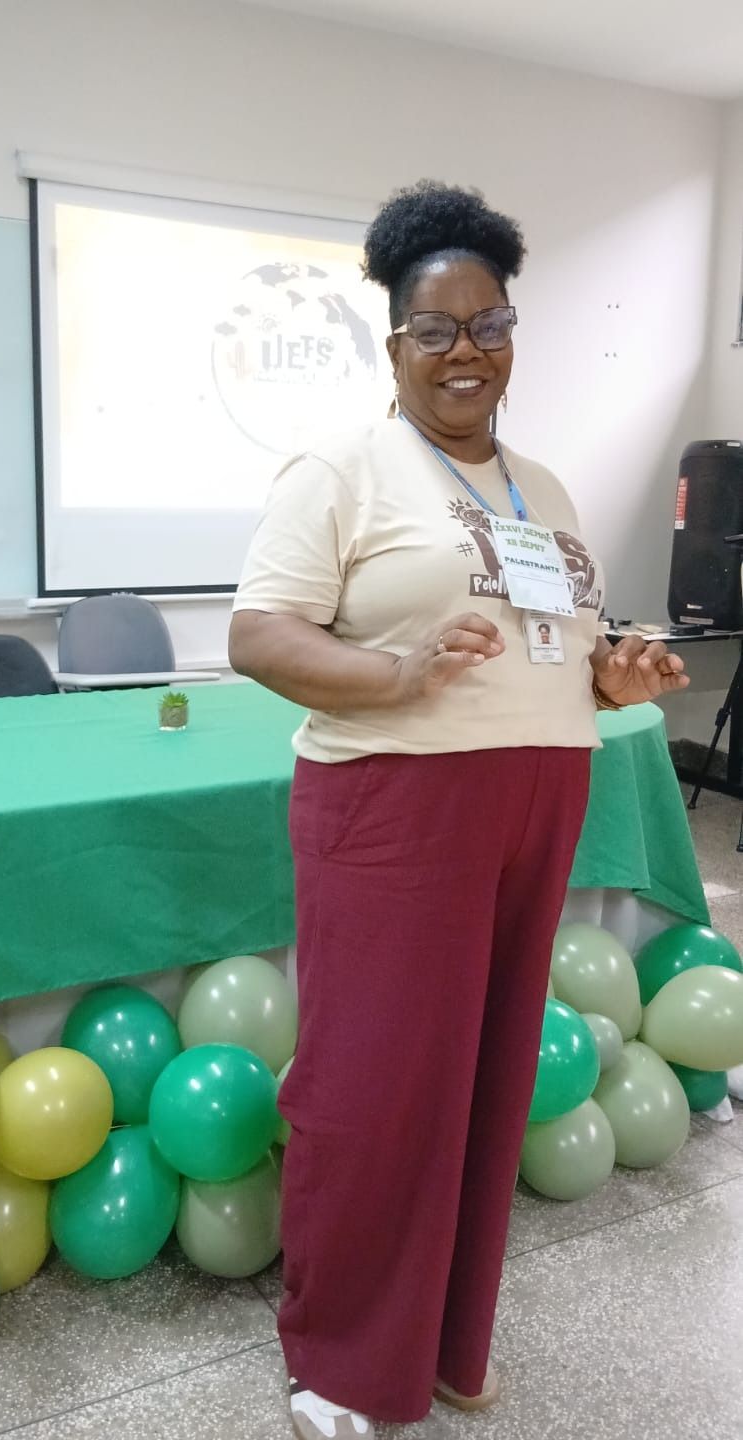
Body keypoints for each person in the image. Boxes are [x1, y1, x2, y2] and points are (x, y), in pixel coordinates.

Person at [228, 180, 689, 1440]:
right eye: (436, 329)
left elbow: (561, 655)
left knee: (485, 1083)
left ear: (512, 335)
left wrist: (614, 676)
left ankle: (441, 1338)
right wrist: (394, 673)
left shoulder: (546, 488)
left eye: (490, 324)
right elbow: (258, 633)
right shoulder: (342, 469)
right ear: (395, 344)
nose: (466, 350)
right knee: (374, 1089)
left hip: (536, 798)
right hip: (394, 804)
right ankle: (338, 1357)